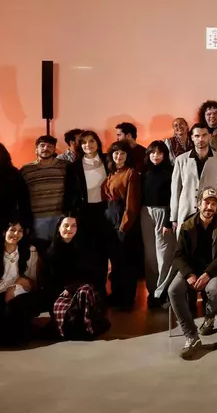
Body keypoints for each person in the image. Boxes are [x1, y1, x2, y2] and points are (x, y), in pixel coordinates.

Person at [168, 188, 217, 358]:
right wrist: (189, 274)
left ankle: (209, 316)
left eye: (213, 204)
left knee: (214, 289)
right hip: (191, 269)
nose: (209, 207)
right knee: (173, 290)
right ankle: (191, 336)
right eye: (206, 203)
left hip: (213, 270)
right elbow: (178, 255)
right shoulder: (187, 225)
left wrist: (208, 274)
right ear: (199, 204)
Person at [45, 215, 109, 340]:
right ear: (58, 228)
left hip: (81, 289)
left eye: (73, 226)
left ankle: (87, 326)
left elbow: (91, 275)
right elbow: (49, 280)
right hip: (60, 292)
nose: (69, 229)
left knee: (86, 291)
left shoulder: (85, 249)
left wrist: (72, 288)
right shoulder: (51, 252)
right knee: (61, 307)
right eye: (66, 225)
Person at [0, 221, 44, 345]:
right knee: (2, 318)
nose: (16, 234)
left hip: (23, 294)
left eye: (20, 231)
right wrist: (11, 286)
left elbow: (31, 281)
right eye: (12, 230)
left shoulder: (30, 252)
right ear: (4, 232)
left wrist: (16, 288)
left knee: (17, 307)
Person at [102, 142, 141, 308]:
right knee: (115, 262)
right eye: (116, 153)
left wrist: (124, 227)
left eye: (122, 154)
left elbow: (132, 204)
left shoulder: (131, 173)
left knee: (127, 262)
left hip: (124, 221)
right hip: (110, 220)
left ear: (127, 156)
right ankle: (116, 294)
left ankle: (126, 298)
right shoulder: (111, 173)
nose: (119, 157)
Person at [63, 130, 111, 261]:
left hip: (106, 209)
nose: (88, 145)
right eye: (84, 142)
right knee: (86, 249)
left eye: (91, 141)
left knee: (105, 248)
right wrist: (68, 214)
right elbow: (69, 192)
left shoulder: (108, 161)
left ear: (98, 143)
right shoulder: (74, 167)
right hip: (84, 211)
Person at [169, 124, 217, 232]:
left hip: (210, 213)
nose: (201, 139)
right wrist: (174, 217)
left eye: (204, 135)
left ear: (210, 136)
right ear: (192, 137)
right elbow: (175, 190)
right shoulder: (181, 160)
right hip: (186, 212)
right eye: (197, 136)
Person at [141, 141, 176, 309]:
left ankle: (163, 292)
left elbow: (173, 197)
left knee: (164, 256)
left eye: (160, 153)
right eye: (153, 152)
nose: (156, 156)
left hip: (164, 213)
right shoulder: (144, 172)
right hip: (146, 213)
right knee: (150, 257)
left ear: (165, 155)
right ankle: (152, 291)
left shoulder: (170, 171)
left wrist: (169, 220)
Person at [20, 135, 68, 245]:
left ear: (54, 149)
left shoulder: (65, 167)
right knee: (41, 248)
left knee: (60, 248)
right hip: (38, 218)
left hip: (61, 216)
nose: (46, 148)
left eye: (50, 146)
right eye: (42, 146)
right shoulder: (26, 170)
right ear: (36, 149)